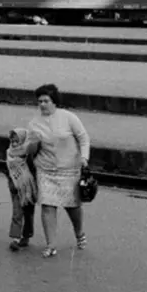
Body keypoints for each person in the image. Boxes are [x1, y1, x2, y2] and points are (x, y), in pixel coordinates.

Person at [26, 84, 91, 257]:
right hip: (45, 170)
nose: (42, 104)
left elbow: (83, 138)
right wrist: (31, 146)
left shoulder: (69, 118)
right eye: (39, 101)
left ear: (54, 101)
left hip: (69, 169)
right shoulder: (34, 123)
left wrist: (84, 158)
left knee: (72, 206)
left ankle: (79, 234)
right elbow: (31, 149)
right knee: (47, 206)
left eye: (46, 101)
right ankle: (51, 245)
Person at [5, 128, 37, 251]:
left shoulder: (29, 156)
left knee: (28, 214)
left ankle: (26, 236)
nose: (14, 144)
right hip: (15, 189)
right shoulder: (9, 154)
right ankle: (16, 238)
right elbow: (8, 171)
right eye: (12, 141)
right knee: (17, 212)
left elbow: (34, 170)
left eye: (17, 142)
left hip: (28, 190)